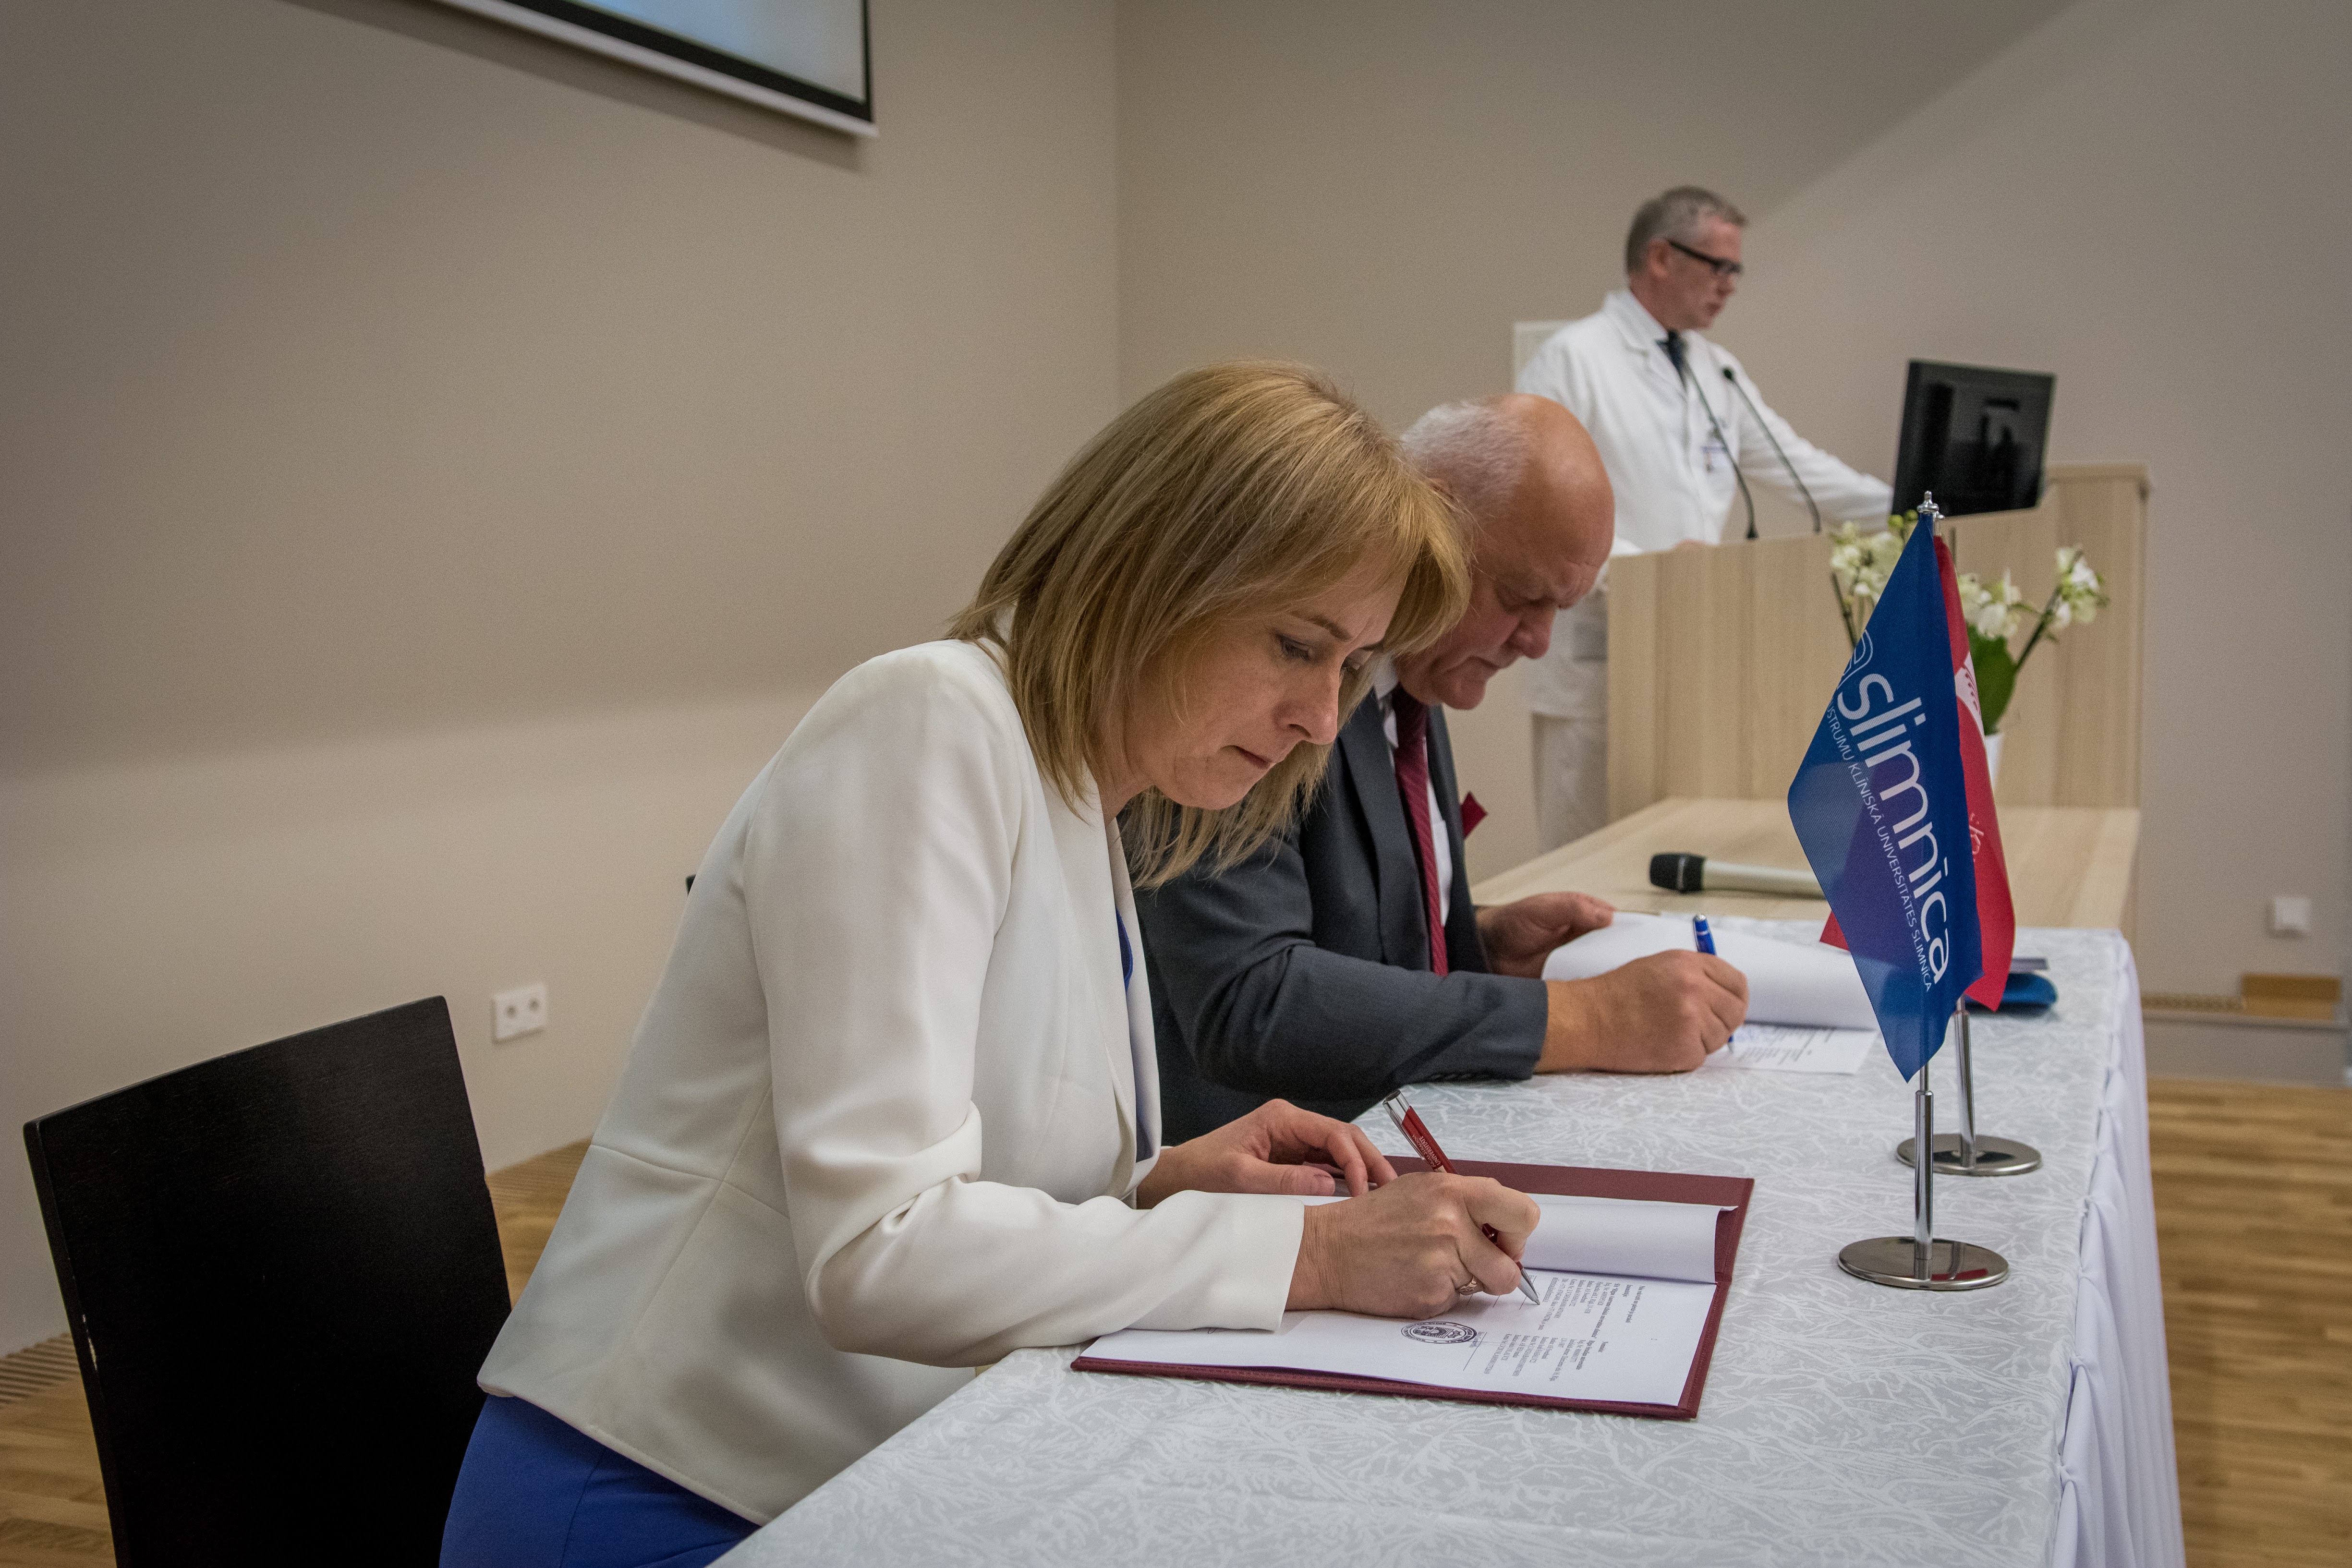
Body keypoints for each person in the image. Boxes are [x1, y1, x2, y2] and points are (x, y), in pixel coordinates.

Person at [437, 363, 1545, 1568]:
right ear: (1148, 568)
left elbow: (970, 1165)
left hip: (848, 1475)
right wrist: (1313, 1255)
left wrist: (1155, 1183)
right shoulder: (928, 720)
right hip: (659, 1491)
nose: (1320, 719)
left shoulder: (1078, 790)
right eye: (1295, 645)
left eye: (1350, 667)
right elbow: (882, 1249)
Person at [1137, 394, 1748, 1146]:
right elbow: (1250, 996)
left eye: (1558, 610)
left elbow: (1327, 922)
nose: (1538, 642)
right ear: (1433, 521)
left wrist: (1479, 946)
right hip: (1255, 1174)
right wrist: (1585, 1016)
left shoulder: (1416, 680)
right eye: (1521, 597)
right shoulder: (1278, 689)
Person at [1517, 185, 1893, 850]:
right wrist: (1650, 569)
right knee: (1584, 859)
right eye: (1720, 266)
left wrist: (1912, 503)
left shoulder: (1715, 371)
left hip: (1693, 650)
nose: (1730, 286)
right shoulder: (1575, 358)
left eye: (1735, 270)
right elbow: (1532, 503)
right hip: (1601, 656)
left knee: (1670, 849)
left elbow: (1799, 467)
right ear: (1661, 258)